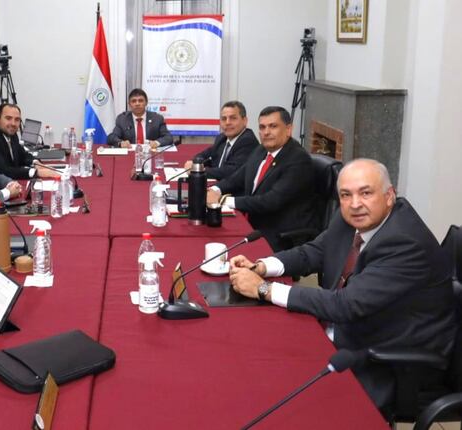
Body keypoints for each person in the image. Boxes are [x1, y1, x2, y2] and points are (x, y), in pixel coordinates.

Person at [228, 158, 456, 414]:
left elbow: (346, 304)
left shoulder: (405, 243)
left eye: (366, 193)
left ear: (389, 196)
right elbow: (316, 251)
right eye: (346, 195)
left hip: (387, 359)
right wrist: (262, 266)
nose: (355, 203)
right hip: (346, 331)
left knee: (280, 398)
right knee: (248, 358)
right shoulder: (354, 217)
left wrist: (264, 290)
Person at [207, 106, 315, 251]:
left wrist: (222, 200)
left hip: (278, 234)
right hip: (253, 223)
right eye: (262, 127)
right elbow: (238, 177)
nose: (266, 132)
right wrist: (215, 190)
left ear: (288, 129)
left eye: (273, 126)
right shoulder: (262, 150)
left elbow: (270, 201)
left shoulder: (298, 159)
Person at [183, 100, 259, 180]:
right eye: (224, 119)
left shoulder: (248, 141)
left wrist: (198, 170)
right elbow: (204, 155)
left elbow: (230, 172)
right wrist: (193, 162)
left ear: (244, 121)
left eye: (233, 118)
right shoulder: (222, 138)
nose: (227, 122)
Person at [0, 103, 60, 180]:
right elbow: (3, 171)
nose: (13, 123)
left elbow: (22, 155)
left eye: (17, 119)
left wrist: (35, 163)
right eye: (8, 118)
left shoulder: (11, 134)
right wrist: (36, 172)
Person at [107, 88, 173, 148]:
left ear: (146, 103)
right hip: (130, 154)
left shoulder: (157, 118)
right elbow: (111, 137)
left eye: (140, 101)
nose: (137, 104)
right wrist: (120, 143)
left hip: (151, 153)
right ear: (129, 104)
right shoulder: (122, 119)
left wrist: (157, 143)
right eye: (134, 101)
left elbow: (168, 137)